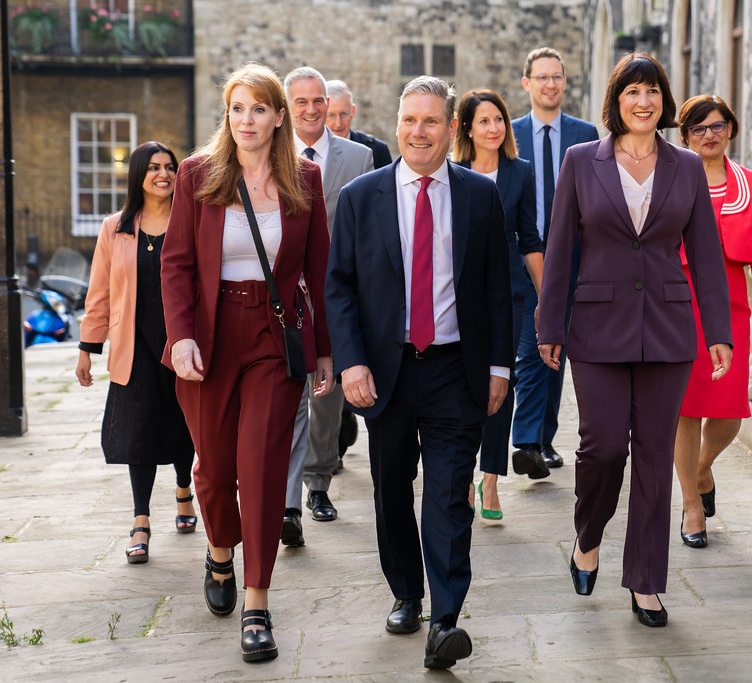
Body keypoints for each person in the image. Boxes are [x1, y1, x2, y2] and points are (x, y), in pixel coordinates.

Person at [536, 53, 733, 627]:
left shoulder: (687, 167)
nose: (642, 101)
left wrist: (717, 331)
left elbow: (705, 254)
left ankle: (646, 580)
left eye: (652, 91)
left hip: (669, 332)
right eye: (631, 92)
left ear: (662, 101)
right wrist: (550, 324)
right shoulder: (580, 161)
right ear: (615, 101)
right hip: (596, 330)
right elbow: (560, 249)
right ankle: (588, 535)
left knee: (653, 455)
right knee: (601, 449)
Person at [325, 76, 513, 670]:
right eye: (409, 120)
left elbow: (497, 290)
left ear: (450, 128)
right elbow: (340, 289)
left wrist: (499, 367)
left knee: (449, 496)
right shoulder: (361, 197)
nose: (418, 132)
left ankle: (448, 618)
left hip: (456, 369)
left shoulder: (480, 197)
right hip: (388, 371)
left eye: (431, 121)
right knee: (390, 488)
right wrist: (351, 360)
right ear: (397, 122)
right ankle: (407, 591)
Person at [160, 62, 334, 662]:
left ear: (279, 116)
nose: (247, 119)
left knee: (260, 467)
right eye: (237, 108)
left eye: (259, 108)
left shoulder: (304, 179)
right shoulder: (197, 174)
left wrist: (326, 352)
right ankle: (218, 550)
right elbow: (177, 263)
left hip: (274, 333)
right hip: (209, 336)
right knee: (211, 469)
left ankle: (257, 603)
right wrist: (181, 335)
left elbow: (320, 274)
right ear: (227, 115)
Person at [673, 95, 752, 548]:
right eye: (699, 129)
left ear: (731, 130)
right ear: (685, 136)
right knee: (684, 410)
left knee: (727, 413)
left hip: (730, 310)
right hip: (677, 306)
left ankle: (702, 470)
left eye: (717, 126)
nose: (709, 135)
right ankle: (689, 505)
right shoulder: (670, 182)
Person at [75, 141, 196, 566]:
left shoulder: (191, 221)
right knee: (140, 432)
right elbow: (100, 291)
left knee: (184, 427)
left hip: (181, 344)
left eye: (170, 168)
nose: (163, 174)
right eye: (154, 168)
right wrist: (89, 347)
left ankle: (184, 488)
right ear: (138, 175)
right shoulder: (115, 228)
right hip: (135, 347)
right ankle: (140, 520)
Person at [281, 67, 373, 547]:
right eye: (302, 102)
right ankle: (288, 501)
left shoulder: (359, 158)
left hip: (336, 295)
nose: (313, 110)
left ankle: (318, 483)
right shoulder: (270, 158)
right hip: (282, 297)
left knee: (327, 396)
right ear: (286, 107)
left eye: (319, 101)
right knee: (291, 399)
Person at [451, 88, 542, 520]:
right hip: (460, 295)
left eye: (499, 120)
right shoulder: (450, 172)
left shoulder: (520, 172)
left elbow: (530, 238)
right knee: (465, 381)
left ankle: (490, 481)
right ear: (467, 127)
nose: (493, 128)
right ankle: (464, 471)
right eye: (483, 120)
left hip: (511, 293)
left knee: (501, 380)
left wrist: (547, 299)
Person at [510, 47, 599, 478]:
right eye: (541, 77)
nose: (550, 84)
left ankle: (541, 439)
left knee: (555, 348)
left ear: (565, 82)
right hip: (521, 256)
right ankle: (528, 439)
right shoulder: (508, 134)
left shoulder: (586, 134)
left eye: (557, 77)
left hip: (573, 257)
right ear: (526, 83)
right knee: (533, 347)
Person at [326, 79, 393, 170]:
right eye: (331, 115)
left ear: (353, 111)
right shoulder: (310, 150)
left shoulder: (377, 151)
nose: (338, 123)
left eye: (344, 114)